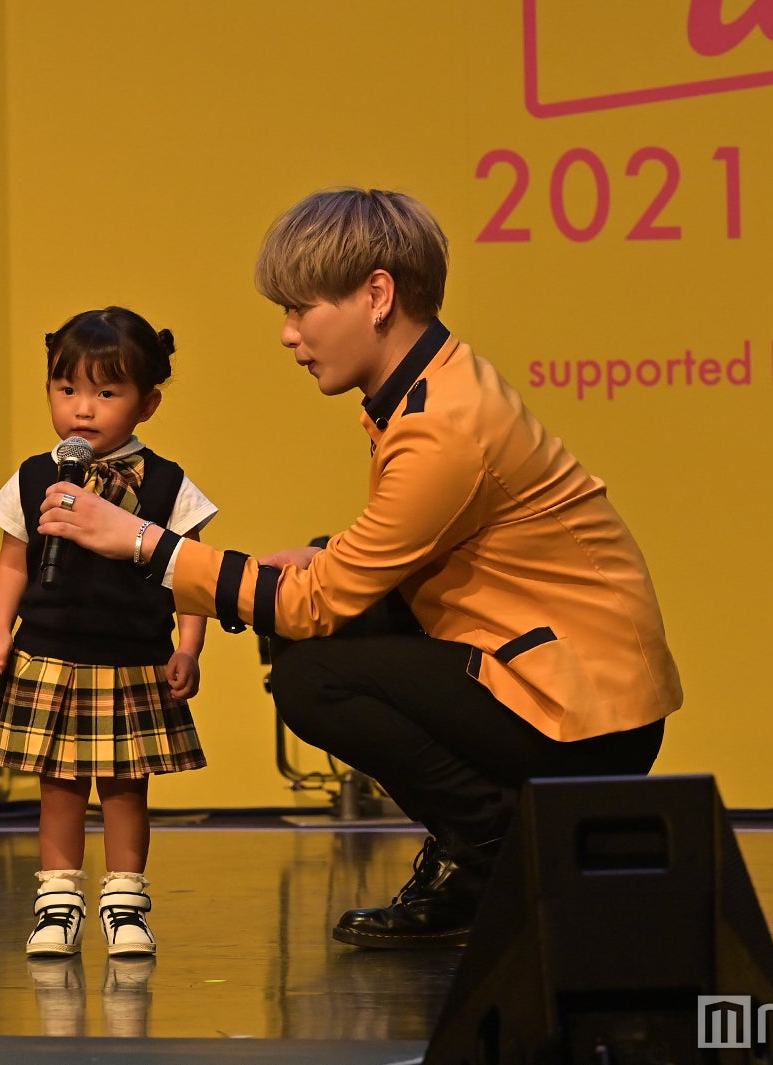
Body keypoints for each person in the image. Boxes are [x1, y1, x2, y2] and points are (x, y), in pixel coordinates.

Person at [35, 190, 683, 949]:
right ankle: (485, 847)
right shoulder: (431, 385)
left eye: (300, 308)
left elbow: (314, 604)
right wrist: (316, 559)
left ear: (377, 295)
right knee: (311, 599)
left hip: (583, 714)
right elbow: (424, 549)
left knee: (313, 676)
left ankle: (494, 851)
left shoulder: (443, 424)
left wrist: (147, 542)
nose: (288, 333)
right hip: (559, 672)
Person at [0, 306, 217, 958]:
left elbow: (192, 575)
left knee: (125, 786)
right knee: (57, 786)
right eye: (67, 389)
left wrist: (189, 647)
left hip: (131, 658)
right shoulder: (36, 475)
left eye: (107, 393)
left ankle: (125, 904)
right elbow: (13, 561)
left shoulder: (167, 484)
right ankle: (57, 903)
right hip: (50, 654)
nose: (83, 408)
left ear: (147, 403)